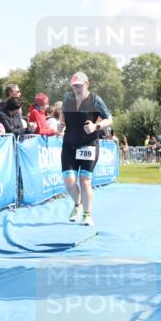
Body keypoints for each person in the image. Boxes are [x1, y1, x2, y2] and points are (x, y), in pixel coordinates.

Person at [60, 71, 112, 226]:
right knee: (69, 181)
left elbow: (109, 119)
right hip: (69, 144)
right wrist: (61, 123)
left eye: (79, 85)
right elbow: (63, 114)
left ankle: (87, 214)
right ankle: (78, 204)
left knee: (84, 181)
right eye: (74, 85)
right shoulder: (68, 98)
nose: (76, 88)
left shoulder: (96, 100)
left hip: (88, 145)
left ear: (87, 84)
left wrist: (96, 125)